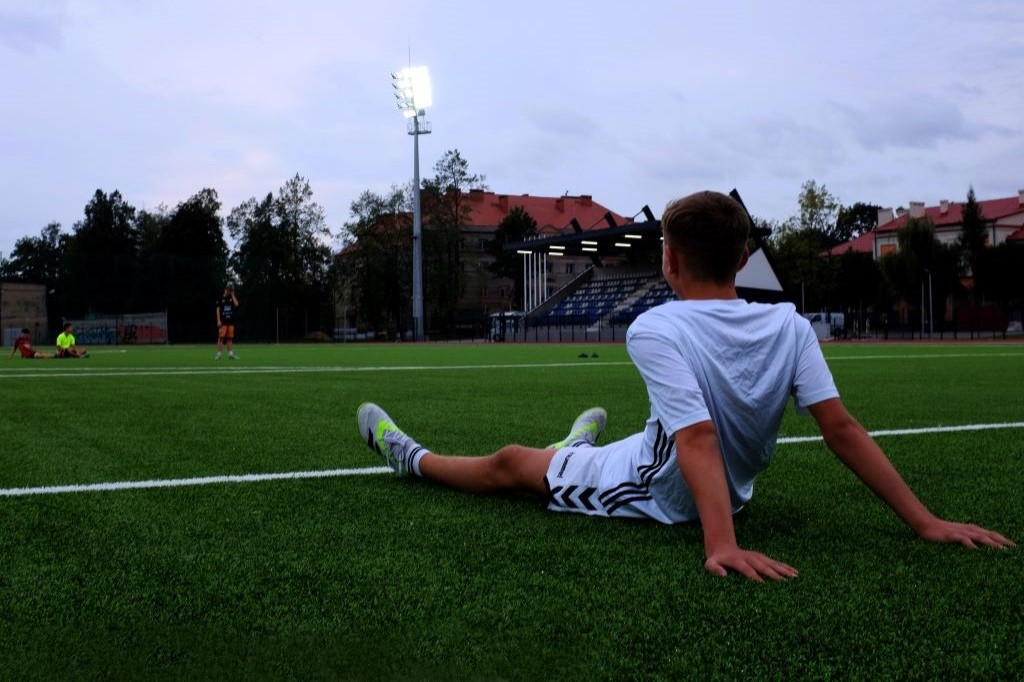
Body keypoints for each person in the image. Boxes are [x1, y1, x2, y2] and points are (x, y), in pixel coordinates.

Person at [356, 190, 1014, 582]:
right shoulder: (790, 324)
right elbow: (840, 429)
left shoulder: (655, 327)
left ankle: (410, 459)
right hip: (709, 484)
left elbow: (696, 438)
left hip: (657, 492)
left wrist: (719, 544)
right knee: (553, 460)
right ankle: (571, 449)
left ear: (668, 259)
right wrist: (924, 522)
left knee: (508, 463)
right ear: (741, 262)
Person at [215, 283, 239, 360]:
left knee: (229, 338)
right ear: (225, 289)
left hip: (231, 322)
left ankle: (230, 354)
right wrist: (218, 320)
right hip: (223, 322)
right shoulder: (220, 298)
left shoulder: (231, 297)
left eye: (230, 289)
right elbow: (218, 310)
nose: (228, 291)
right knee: (221, 338)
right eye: (228, 289)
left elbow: (236, 304)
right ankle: (218, 355)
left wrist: (232, 294)